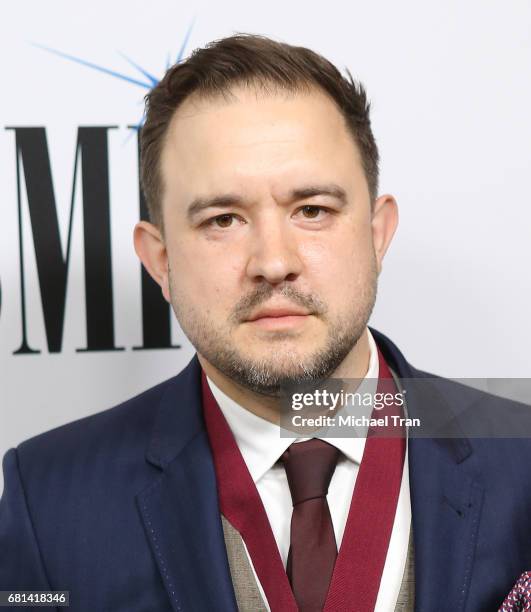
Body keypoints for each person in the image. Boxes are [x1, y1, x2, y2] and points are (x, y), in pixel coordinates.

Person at [1, 34, 530, 612]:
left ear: (377, 234)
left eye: (312, 211)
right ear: (160, 260)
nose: (274, 262)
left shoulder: (521, 454)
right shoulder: (48, 500)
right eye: (223, 219)